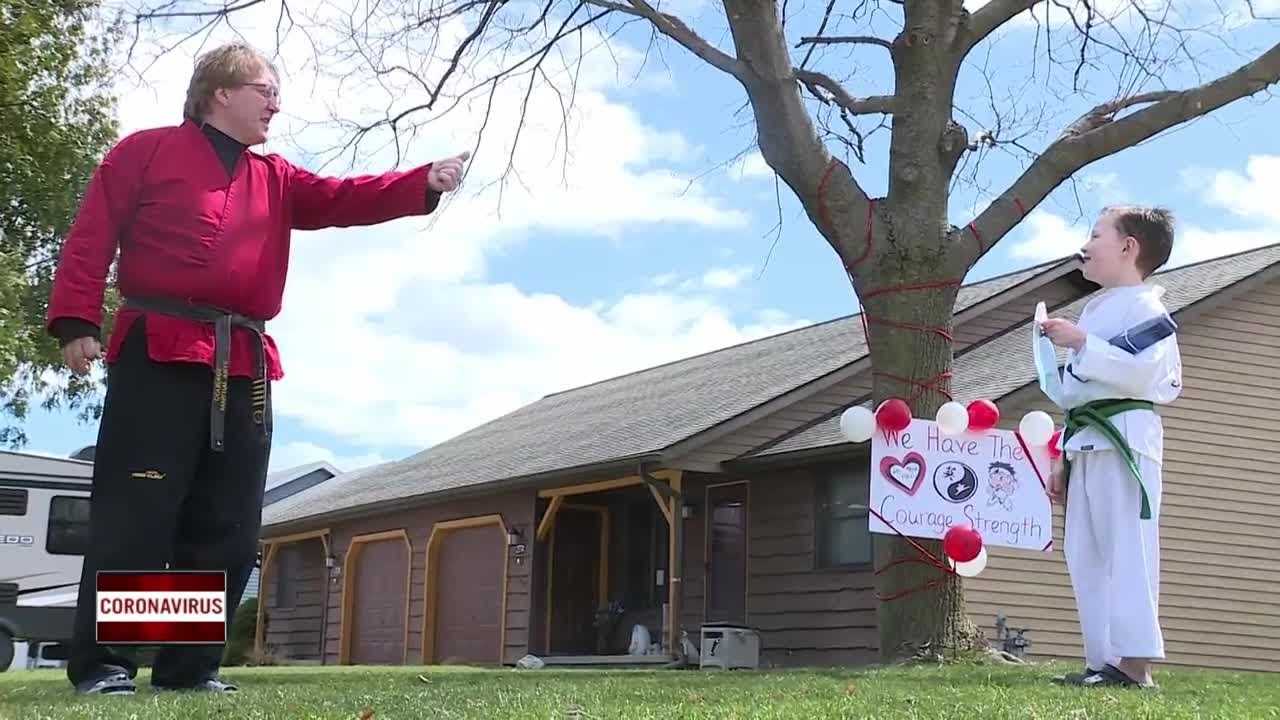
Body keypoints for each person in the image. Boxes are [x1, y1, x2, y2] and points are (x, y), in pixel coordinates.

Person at [46, 42, 469, 695]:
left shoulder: (275, 178)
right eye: (264, 89)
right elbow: (91, 234)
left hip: (243, 363)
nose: (276, 102)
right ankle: (106, 665)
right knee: (139, 513)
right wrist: (77, 321)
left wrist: (420, 182)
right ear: (220, 91)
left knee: (223, 525)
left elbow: (341, 197)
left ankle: (186, 668)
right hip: (157, 349)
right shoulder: (145, 151)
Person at [1040, 206, 1182, 690]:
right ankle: (1103, 661)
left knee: (1128, 548)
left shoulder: (1148, 306)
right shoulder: (1095, 309)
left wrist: (1082, 343)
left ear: (1128, 247)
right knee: (1087, 553)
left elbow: (1143, 372)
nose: (1086, 244)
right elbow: (1078, 393)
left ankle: (1136, 662)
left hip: (1126, 440)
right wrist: (1062, 455)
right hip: (1087, 441)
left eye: (1095, 234)